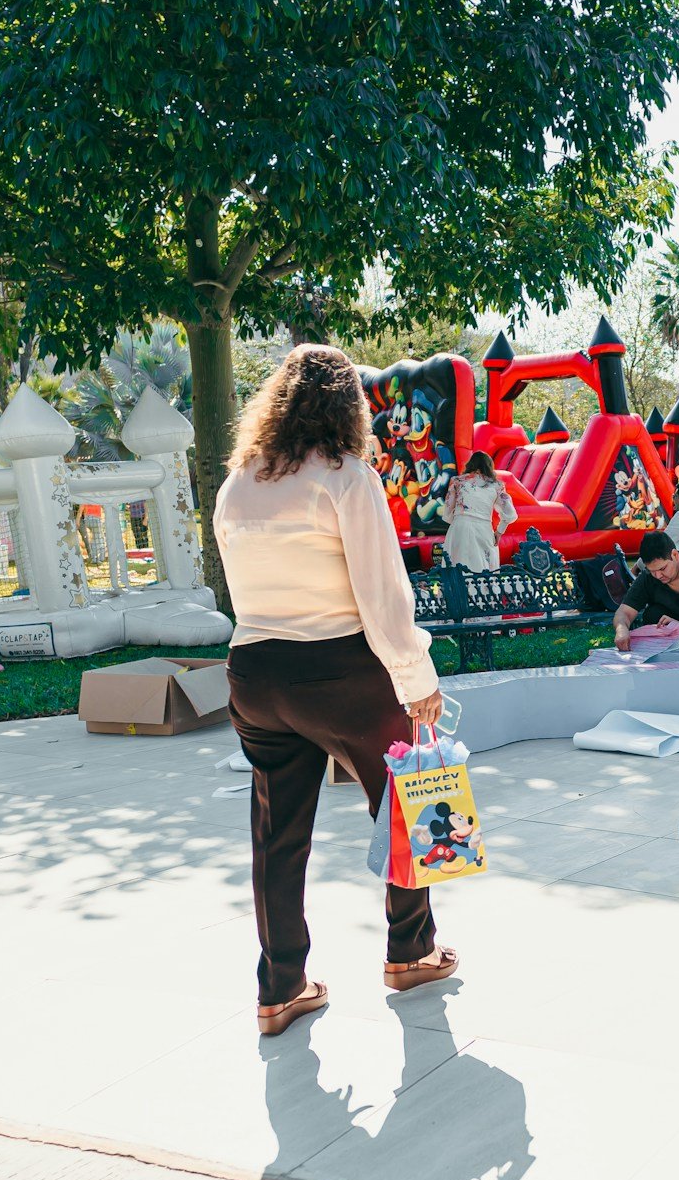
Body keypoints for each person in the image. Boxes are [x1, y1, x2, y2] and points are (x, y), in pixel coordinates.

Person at [214, 344, 459, 1037]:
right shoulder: (345, 477)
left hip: (255, 671)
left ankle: (280, 985)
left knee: (276, 832)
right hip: (341, 671)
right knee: (409, 802)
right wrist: (418, 680)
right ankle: (410, 951)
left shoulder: (238, 482)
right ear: (347, 405)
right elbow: (384, 596)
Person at [612, 530, 679, 649]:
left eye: (663, 568)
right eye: (652, 571)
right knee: (652, 613)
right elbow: (624, 612)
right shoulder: (648, 577)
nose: (658, 576)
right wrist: (622, 629)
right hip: (667, 646)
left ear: (675, 555)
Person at [442, 451, 512, 572]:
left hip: (459, 527)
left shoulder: (457, 481)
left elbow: (447, 511)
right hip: (484, 528)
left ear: (470, 464)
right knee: (484, 571)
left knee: (456, 567)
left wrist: (459, 519)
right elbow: (510, 514)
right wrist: (499, 532)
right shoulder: (496, 485)